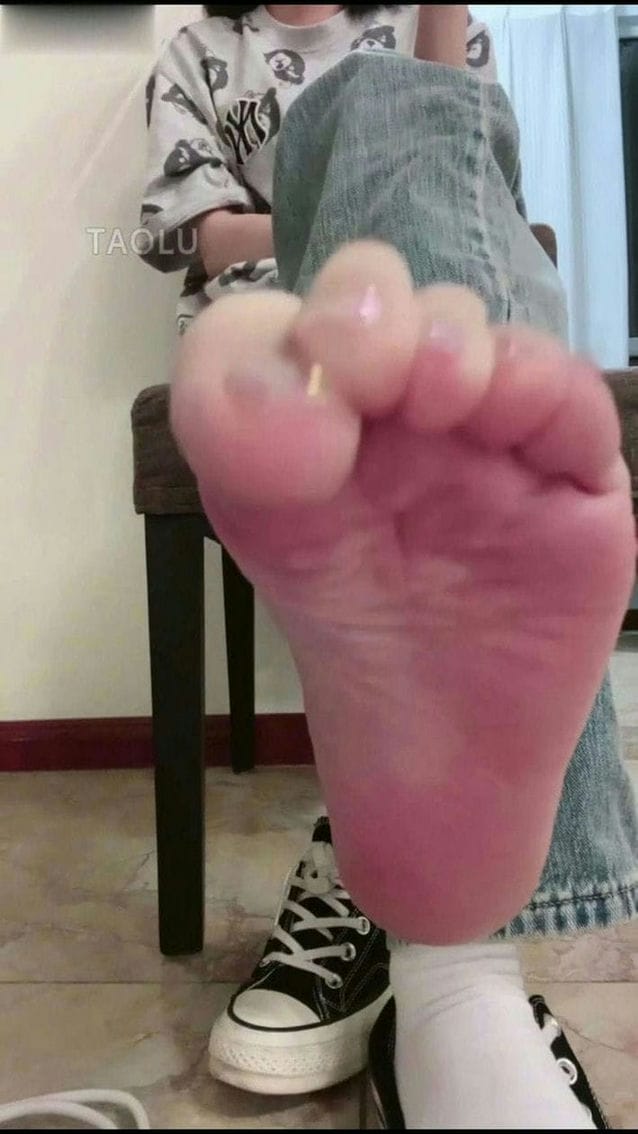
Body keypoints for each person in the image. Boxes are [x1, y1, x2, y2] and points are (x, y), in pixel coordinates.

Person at [141, 5, 638, 1127]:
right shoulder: (198, 54)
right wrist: (329, 210)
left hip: (444, 325)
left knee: (407, 139)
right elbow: (180, 235)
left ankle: (414, 894)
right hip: (282, 373)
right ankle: (456, 972)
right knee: (381, 127)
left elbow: (475, 188)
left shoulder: (430, 27)